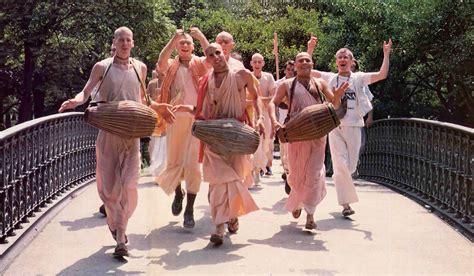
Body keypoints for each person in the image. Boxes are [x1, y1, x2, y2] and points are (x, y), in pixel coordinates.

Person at [59, 27, 175, 257]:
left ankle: (121, 237)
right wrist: (76, 100)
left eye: (128, 40)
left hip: (131, 136)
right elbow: (86, 92)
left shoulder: (139, 67)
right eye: (120, 39)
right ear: (114, 42)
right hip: (109, 134)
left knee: (130, 185)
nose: (124, 43)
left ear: (133, 43)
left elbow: (143, 100)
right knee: (110, 189)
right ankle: (114, 223)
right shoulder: (102, 67)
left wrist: (158, 106)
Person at [173, 43, 264, 245]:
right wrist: (186, 109)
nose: (216, 57)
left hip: (238, 136)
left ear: (224, 54)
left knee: (234, 178)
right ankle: (219, 226)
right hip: (214, 136)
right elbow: (200, 109)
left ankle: (232, 215)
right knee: (216, 183)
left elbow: (256, 98)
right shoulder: (206, 80)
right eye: (211, 55)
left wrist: (259, 119)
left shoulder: (242, 75)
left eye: (218, 53)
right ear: (208, 60)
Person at [308, 36, 392, 217]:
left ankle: (344, 186)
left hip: (354, 125)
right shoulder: (330, 78)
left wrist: (386, 54)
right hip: (334, 125)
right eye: (340, 57)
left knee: (351, 166)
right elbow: (308, 70)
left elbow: (381, 75)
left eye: (346, 57)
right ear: (336, 61)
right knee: (339, 166)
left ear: (352, 62)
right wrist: (310, 49)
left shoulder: (359, 78)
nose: (343, 59)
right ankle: (345, 204)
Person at [269, 52, 348, 230]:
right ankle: (296, 203)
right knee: (296, 175)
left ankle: (310, 214)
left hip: (318, 133)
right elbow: (272, 103)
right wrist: (275, 121)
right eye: (300, 60)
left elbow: (334, 106)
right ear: (295, 65)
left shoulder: (320, 84)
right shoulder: (286, 85)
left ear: (312, 64)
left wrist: (337, 96)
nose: (304, 62)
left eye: (307, 60)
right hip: (295, 133)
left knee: (314, 173)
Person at [155, 28, 209, 228]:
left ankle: (190, 209)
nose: (185, 46)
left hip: (197, 118)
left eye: (188, 43)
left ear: (193, 47)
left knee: (194, 164)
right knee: (174, 160)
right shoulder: (171, 65)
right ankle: (178, 192)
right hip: (174, 118)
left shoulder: (200, 64)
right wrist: (173, 38)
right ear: (177, 47)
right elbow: (161, 61)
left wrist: (200, 36)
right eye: (181, 43)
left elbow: (211, 56)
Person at [250, 53, 276, 176]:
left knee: (267, 141)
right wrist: (257, 100)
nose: (257, 64)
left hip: (265, 113)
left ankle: (266, 165)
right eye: (254, 62)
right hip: (251, 112)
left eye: (259, 62)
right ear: (251, 63)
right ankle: (256, 167)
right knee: (254, 139)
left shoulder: (269, 77)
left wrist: (259, 99)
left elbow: (273, 97)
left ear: (263, 63)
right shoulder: (247, 77)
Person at [351, 59, 374, 179]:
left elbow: (369, 100)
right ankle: (347, 170)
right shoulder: (336, 79)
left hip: (358, 119)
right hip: (342, 120)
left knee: (360, 144)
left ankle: (354, 166)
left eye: (353, 65)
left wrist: (370, 117)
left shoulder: (361, 81)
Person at [275, 60, 295, 194]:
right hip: (282, 119)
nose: (291, 71)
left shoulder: (302, 83)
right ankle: (287, 172)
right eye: (288, 69)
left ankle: (292, 175)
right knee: (284, 148)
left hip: (297, 120)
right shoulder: (278, 84)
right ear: (284, 70)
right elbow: (274, 103)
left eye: (293, 69)